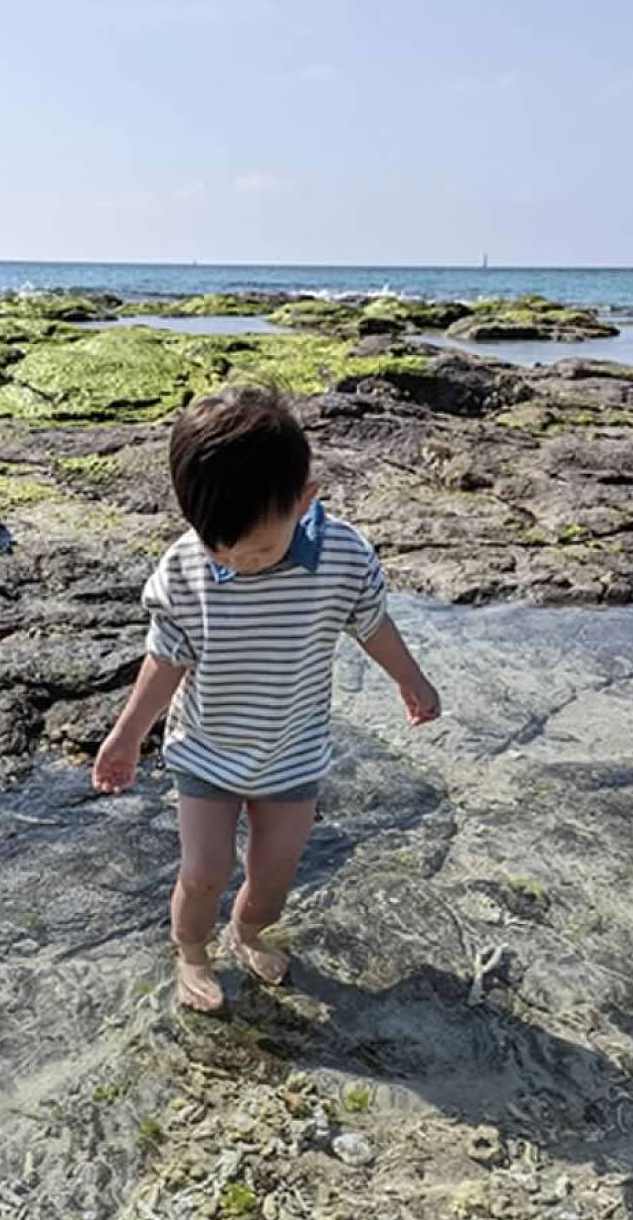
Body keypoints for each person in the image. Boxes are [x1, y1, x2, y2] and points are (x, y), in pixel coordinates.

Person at [90, 383, 441, 1011]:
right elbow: (166, 658)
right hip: (207, 750)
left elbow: (372, 624)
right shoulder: (186, 566)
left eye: (257, 548)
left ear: (304, 500)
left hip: (294, 752)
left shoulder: (342, 555)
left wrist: (409, 678)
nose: (237, 561)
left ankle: (247, 932)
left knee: (274, 874)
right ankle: (192, 955)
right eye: (217, 544)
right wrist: (127, 735)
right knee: (204, 872)